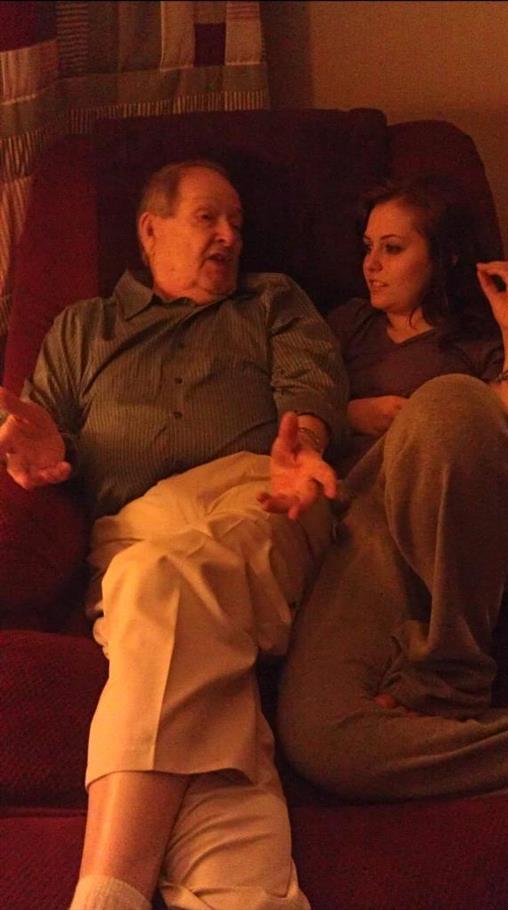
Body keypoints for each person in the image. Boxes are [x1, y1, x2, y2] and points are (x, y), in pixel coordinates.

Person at [0, 159, 348, 910]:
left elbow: (312, 384)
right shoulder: (82, 328)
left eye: (237, 224)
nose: (229, 237)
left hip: (260, 501)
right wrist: (44, 452)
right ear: (150, 230)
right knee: (178, 630)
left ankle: (107, 894)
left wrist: (308, 443)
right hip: (133, 531)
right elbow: (42, 429)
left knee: (153, 585)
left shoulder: (271, 300)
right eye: (207, 218)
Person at [277, 173, 508, 803]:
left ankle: (449, 674)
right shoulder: (345, 327)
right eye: (367, 247)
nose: (371, 264)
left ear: (443, 255)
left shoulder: (479, 341)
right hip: (371, 528)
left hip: (475, 522)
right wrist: (353, 415)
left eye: (393, 248)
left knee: (449, 405)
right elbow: (298, 403)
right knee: (321, 739)